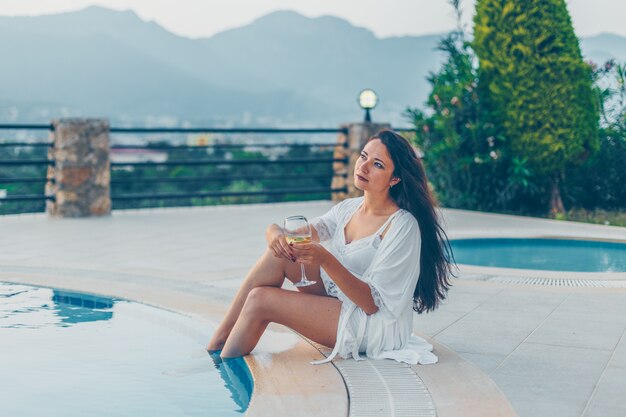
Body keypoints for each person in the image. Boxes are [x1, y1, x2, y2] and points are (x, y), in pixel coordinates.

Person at [207, 129, 454, 365]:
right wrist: (273, 231)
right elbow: (295, 235)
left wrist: (325, 259)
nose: (364, 167)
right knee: (278, 255)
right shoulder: (348, 208)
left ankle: (223, 369)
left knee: (260, 300)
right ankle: (217, 344)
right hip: (340, 301)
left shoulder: (402, 226)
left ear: (395, 178)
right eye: (364, 157)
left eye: (378, 165)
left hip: (374, 324)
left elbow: (372, 304)